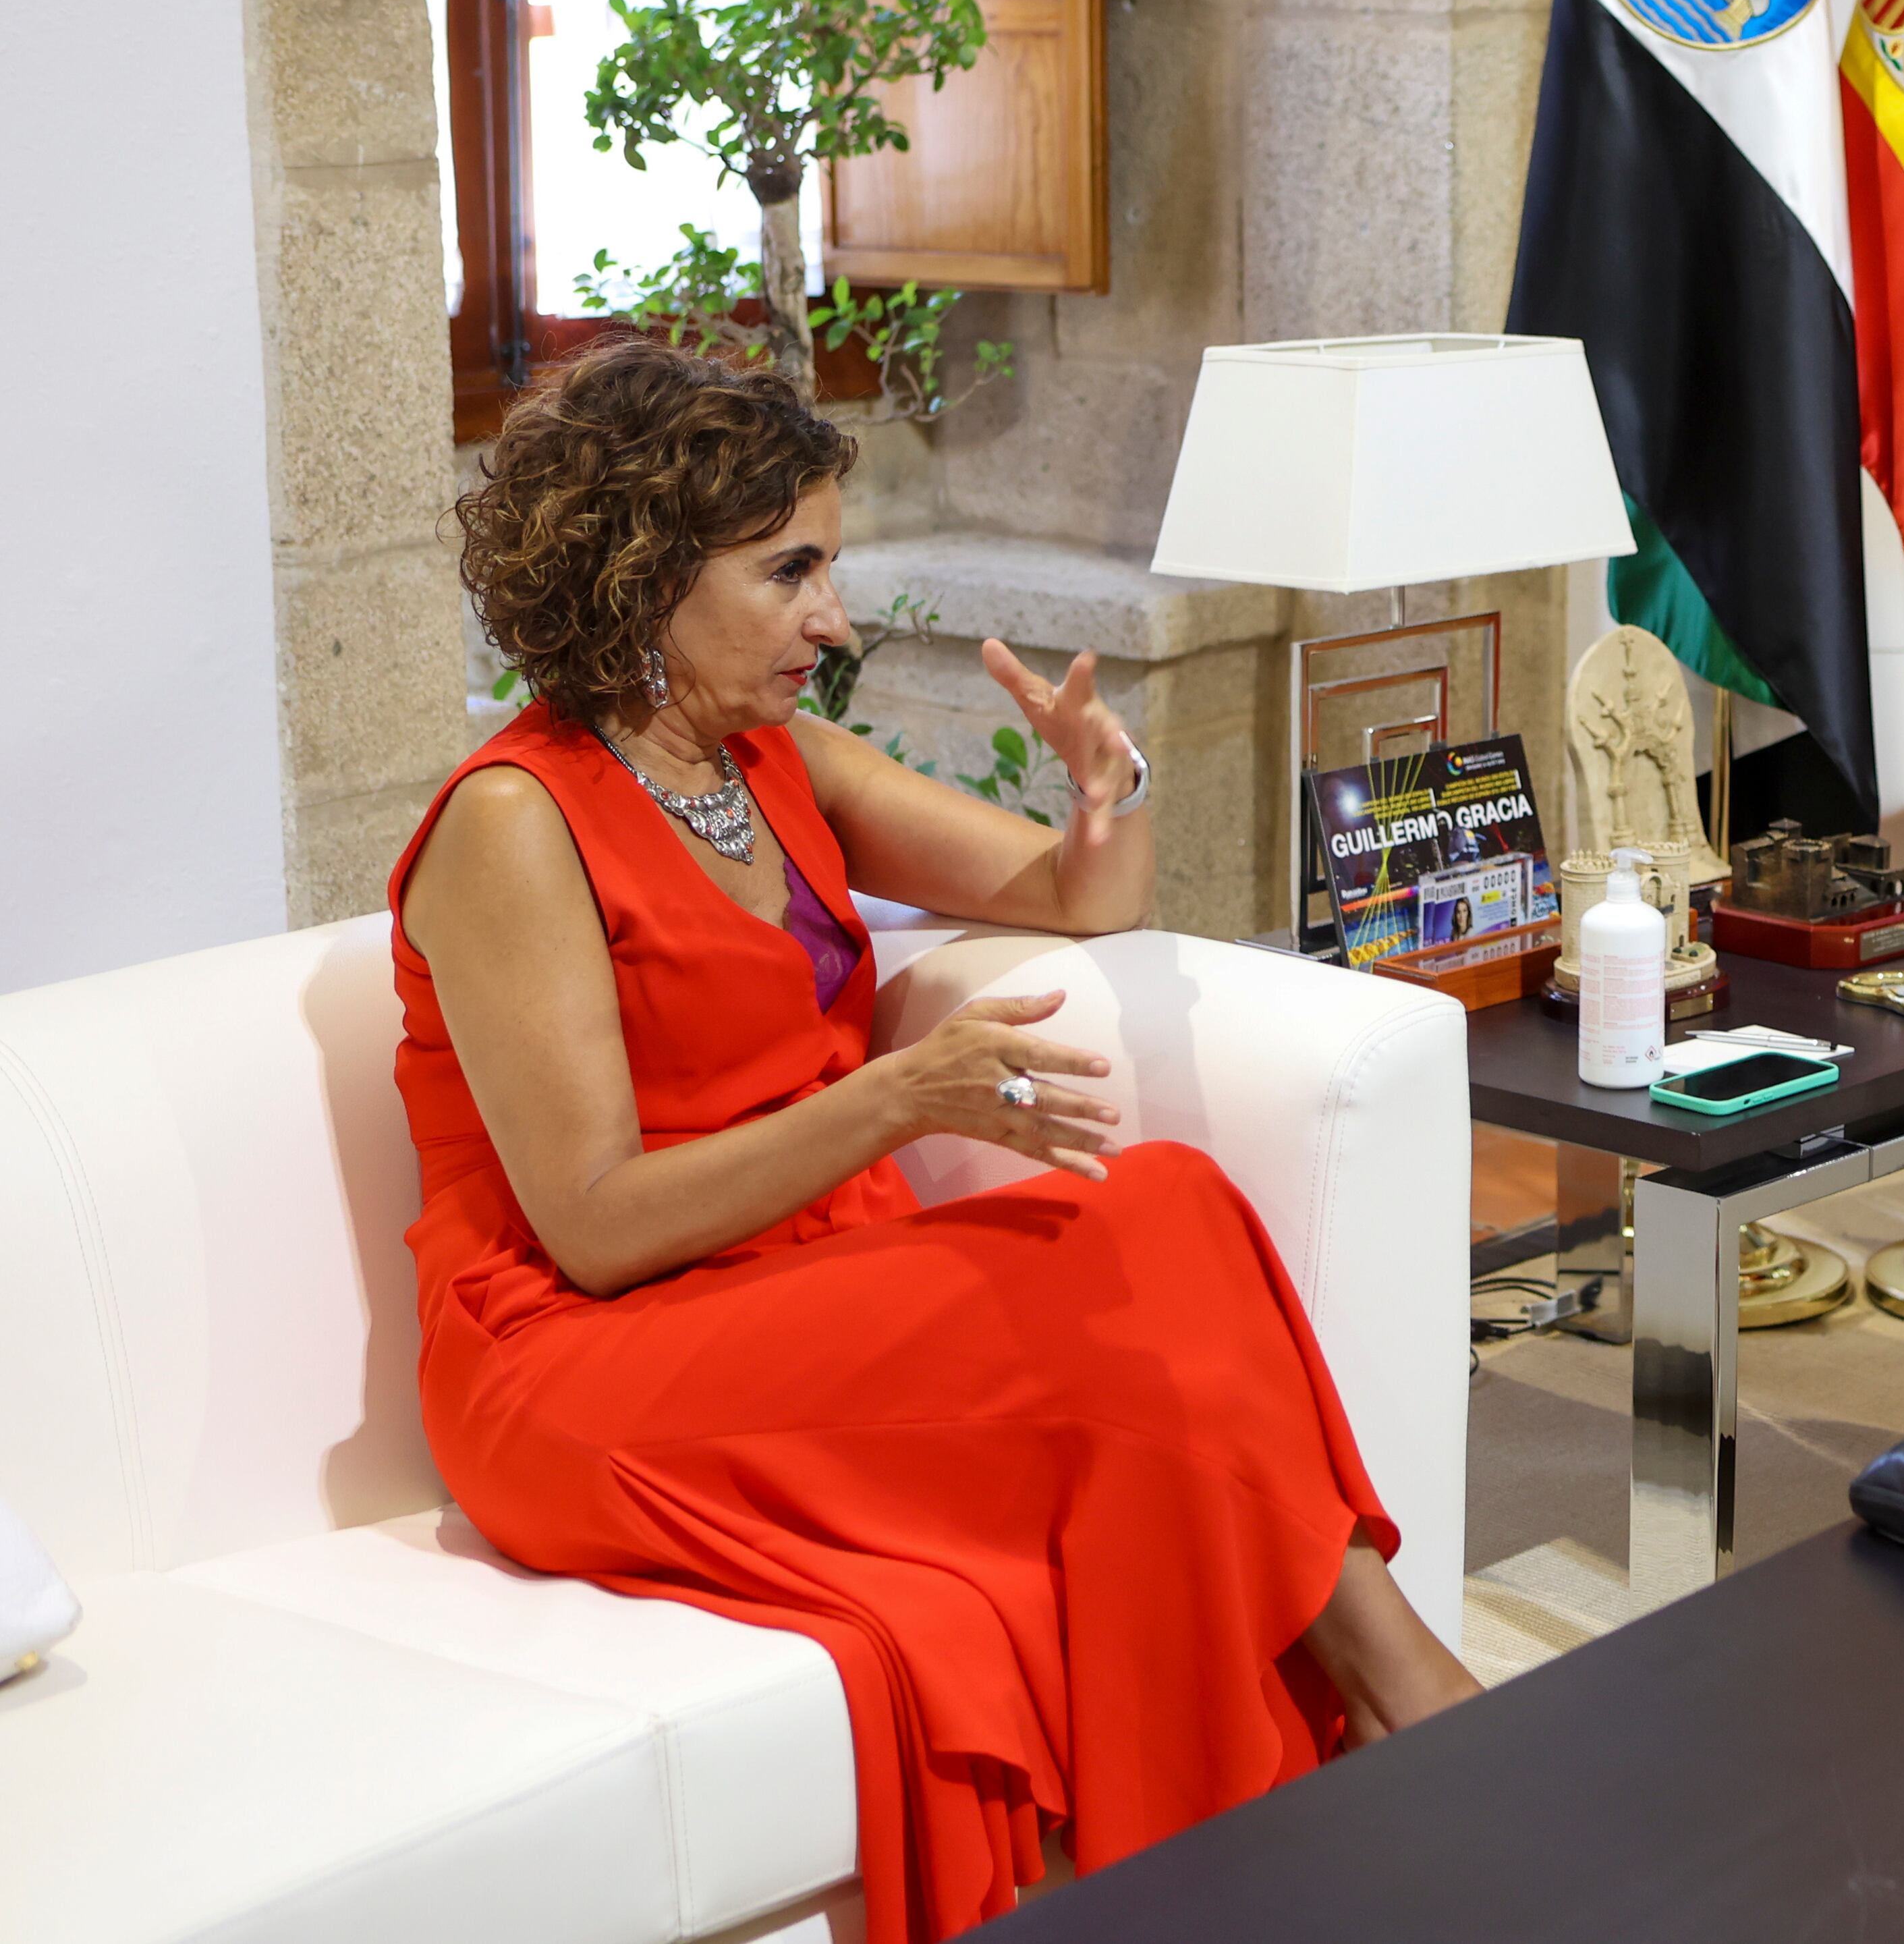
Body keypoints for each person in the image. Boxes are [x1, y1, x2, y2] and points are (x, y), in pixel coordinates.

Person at [395, 340, 1479, 1944]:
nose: (833, 618)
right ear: (644, 571)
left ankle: (1332, 1767)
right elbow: (597, 1224)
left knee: (1160, 1204)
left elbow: (1072, 895)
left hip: (787, 1286)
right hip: (581, 1358)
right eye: (792, 571)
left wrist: (1110, 786)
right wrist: (897, 1097)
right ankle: (1409, 1707)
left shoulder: (774, 764)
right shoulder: (514, 821)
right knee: (1128, 1262)